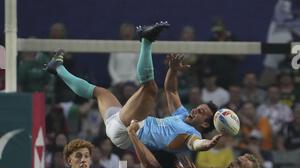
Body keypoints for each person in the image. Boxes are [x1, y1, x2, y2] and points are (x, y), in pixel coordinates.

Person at [44, 22, 221, 154]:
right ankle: (58, 68)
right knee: (101, 92)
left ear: (205, 123)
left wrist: (207, 144)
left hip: (127, 130)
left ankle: (146, 40)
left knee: (150, 89)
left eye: (202, 111)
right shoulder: (181, 114)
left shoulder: (191, 133)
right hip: (121, 124)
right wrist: (173, 70)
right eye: (200, 106)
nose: (197, 108)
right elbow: (171, 91)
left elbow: (196, 144)